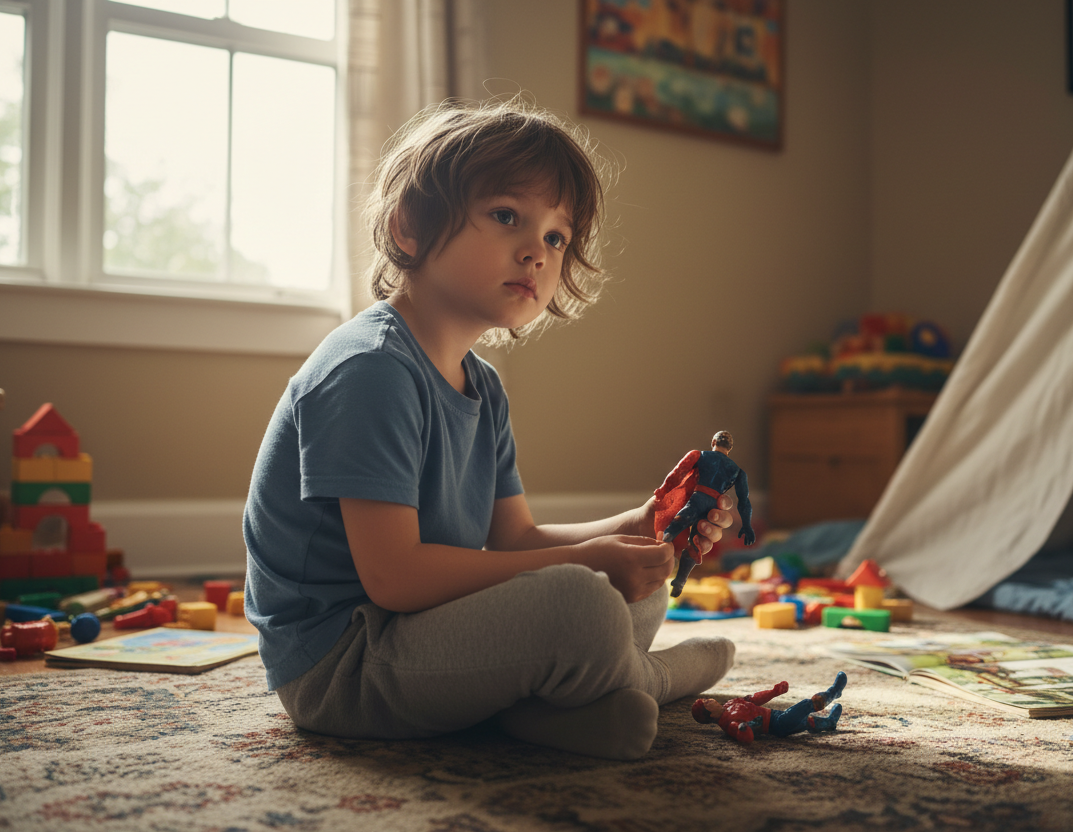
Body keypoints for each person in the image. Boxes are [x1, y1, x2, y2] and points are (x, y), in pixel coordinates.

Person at [242, 98, 739, 762]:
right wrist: (587, 565)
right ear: (411, 228)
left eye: (557, 237)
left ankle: (542, 714)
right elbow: (393, 578)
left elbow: (515, 539)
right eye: (507, 217)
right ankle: (649, 680)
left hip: (425, 633)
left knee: (633, 588)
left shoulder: (484, 385)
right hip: (345, 664)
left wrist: (641, 524)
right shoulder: (371, 370)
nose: (536, 250)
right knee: (582, 603)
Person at [653, 431, 755, 596]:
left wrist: (663, 490)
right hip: (712, 506)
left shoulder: (699, 455)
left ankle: (658, 553)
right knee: (696, 543)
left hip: (698, 498)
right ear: (730, 448)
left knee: (676, 525)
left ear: (713, 441)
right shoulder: (737, 471)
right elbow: (744, 501)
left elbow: (677, 474)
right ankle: (680, 581)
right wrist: (747, 525)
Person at [692, 672, 846, 744]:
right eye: (706, 702)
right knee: (806, 705)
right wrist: (746, 728)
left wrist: (773, 692)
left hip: (776, 715)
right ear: (710, 714)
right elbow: (744, 737)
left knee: (808, 722)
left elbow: (753, 699)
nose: (710, 699)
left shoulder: (730, 704)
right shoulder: (729, 723)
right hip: (778, 724)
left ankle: (829, 723)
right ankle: (834, 693)